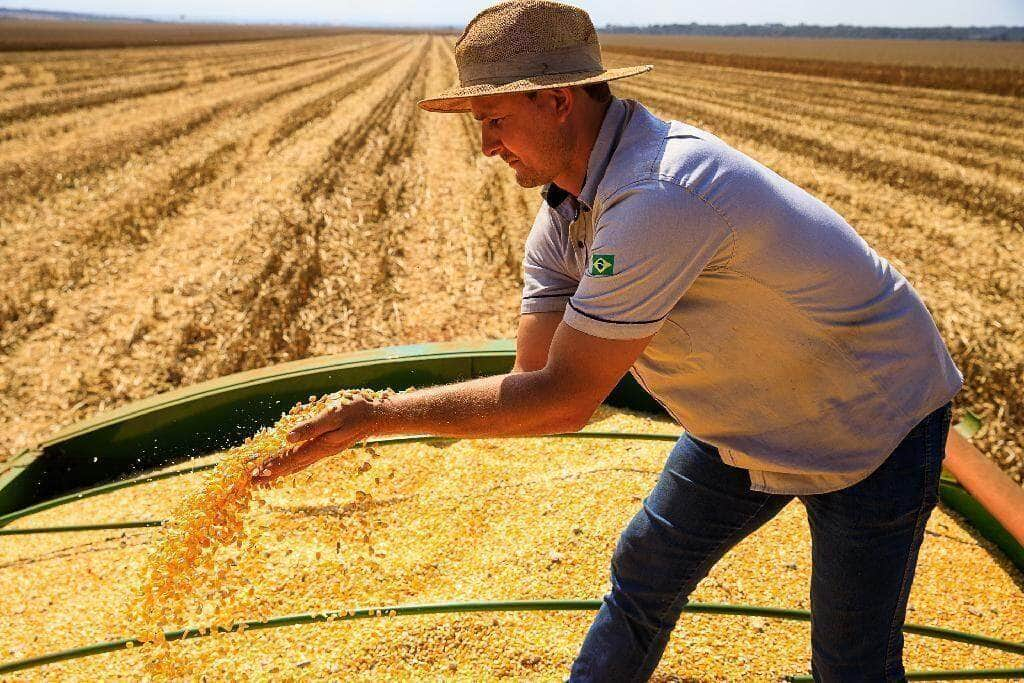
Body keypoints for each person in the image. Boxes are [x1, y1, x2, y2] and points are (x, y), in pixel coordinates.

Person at [254, 1, 964, 680]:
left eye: (494, 118)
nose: (485, 145)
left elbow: (564, 400)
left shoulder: (660, 192)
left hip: (873, 417)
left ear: (558, 100)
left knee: (851, 661)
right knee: (644, 570)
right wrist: (384, 417)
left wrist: (377, 416)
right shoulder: (566, 216)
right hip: (746, 418)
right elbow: (537, 378)